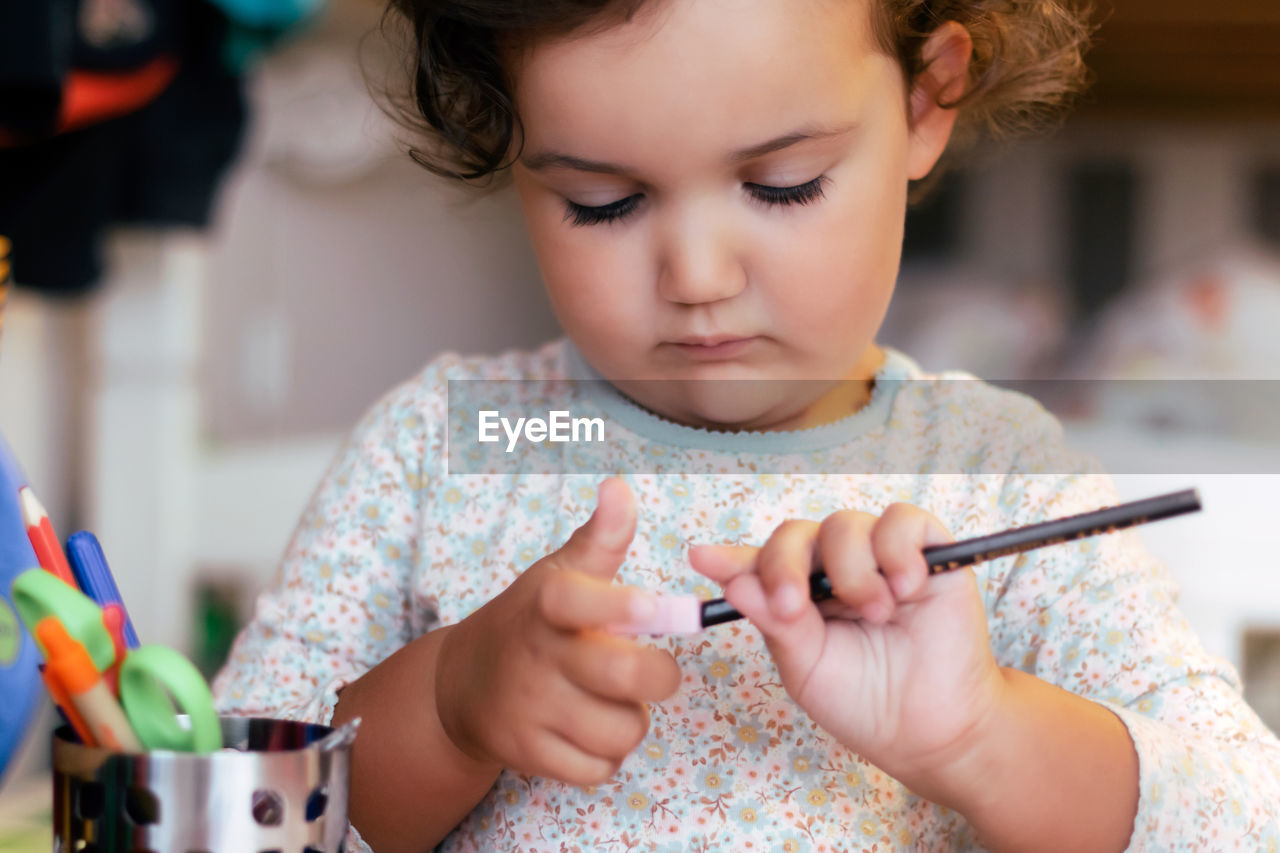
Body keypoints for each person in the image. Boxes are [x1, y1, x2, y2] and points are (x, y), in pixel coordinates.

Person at [212, 0, 1280, 850]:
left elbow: (1236, 822)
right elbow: (217, 814)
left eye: (780, 185)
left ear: (924, 99)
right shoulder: (443, 448)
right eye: (600, 202)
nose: (696, 277)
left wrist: (978, 733)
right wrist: (447, 710)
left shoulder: (996, 477)